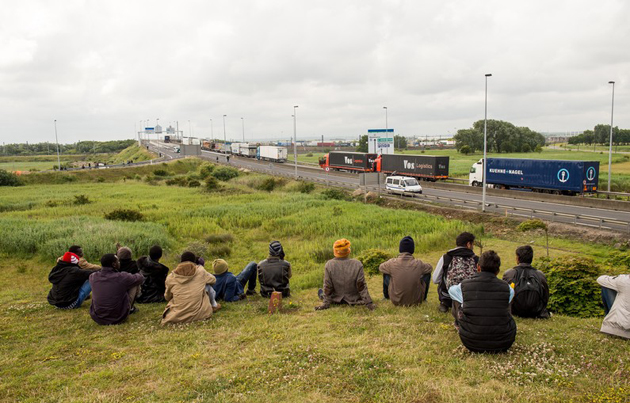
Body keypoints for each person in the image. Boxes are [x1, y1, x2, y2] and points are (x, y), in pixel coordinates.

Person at [449, 250, 516, 353]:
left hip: (471, 341)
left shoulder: (464, 286)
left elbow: (451, 291)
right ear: (497, 271)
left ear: (478, 267)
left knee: (458, 298)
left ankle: (458, 325)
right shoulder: (507, 288)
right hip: (503, 342)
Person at [315, 239, 375, 311]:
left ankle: (323, 296)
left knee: (322, 292)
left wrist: (325, 304)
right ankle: (323, 296)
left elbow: (328, 286)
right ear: (348, 251)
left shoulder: (329, 264)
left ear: (335, 251)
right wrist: (369, 303)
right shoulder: (357, 264)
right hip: (354, 299)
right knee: (322, 292)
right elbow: (361, 285)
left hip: (336, 299)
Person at [162, 251, 218, 325]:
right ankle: (214, 305)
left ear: (181, 261)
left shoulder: (171, 277)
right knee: (207, 286)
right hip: (201, 314)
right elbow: (213, 280)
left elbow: (167, 297)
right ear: (194, 261)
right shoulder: (201, 271)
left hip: (177, 316)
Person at [89, 254, 144, 325]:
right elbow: (140, 278)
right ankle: (130, 308)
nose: (119, 263)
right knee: (134, 284)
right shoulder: (121, 277)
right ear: (114, 264)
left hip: (98, 317)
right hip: (119, 316)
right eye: (118, 261)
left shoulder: (93, 277)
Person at [379, 236, 432, 306]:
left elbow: (381, 267)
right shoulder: (419, 263)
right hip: (416, 300)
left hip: (396, 300)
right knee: (427, 274)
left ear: (400, 249)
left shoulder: (391, 262)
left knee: (386, 273)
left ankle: (386, 297)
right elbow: (430, 268)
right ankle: (424, 298)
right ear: (412, 249)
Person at [432, 232, 478, 313]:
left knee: (442, 278)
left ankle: (444, 303)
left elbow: (435, 280)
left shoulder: (446, 257)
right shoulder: (476, 259)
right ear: (468, 244)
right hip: (469, 299)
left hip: (448, 297)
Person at [502, 245, 550, 319]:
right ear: (531, 258)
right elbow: (545, 296)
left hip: (515, 311)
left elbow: (503, 295)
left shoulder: (509, 274)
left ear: (517, 258)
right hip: (536, 311)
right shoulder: (540, 275)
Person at [597, 274, 630, 339]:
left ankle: (611, 320)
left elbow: (600, 279)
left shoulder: (624, 281)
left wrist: (615, 278)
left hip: (621, 329)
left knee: (606, 286)